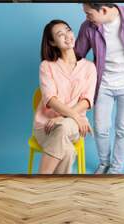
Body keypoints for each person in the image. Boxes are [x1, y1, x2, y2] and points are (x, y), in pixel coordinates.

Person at [75, 3, 124, 174]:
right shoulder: (88, 27)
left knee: (123, 128)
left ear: (103, 10)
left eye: (89, 14)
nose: (87, 17)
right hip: (103, 84)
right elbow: (77, 54)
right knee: (101, 128)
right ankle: (104, 163)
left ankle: (116, 169)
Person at [33, 19, 97, 174]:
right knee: (67, 151)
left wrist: (63, 119)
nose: (67, 36)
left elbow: (87, 101)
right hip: (46, 126)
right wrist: (73, 116)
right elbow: (51, 99)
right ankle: (59, 193)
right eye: (60, 34)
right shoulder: (47, 66)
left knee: (63, 127)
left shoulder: (89, 67)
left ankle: (38, 185)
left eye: (68, 30)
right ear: (52, 42)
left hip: (74, 126)